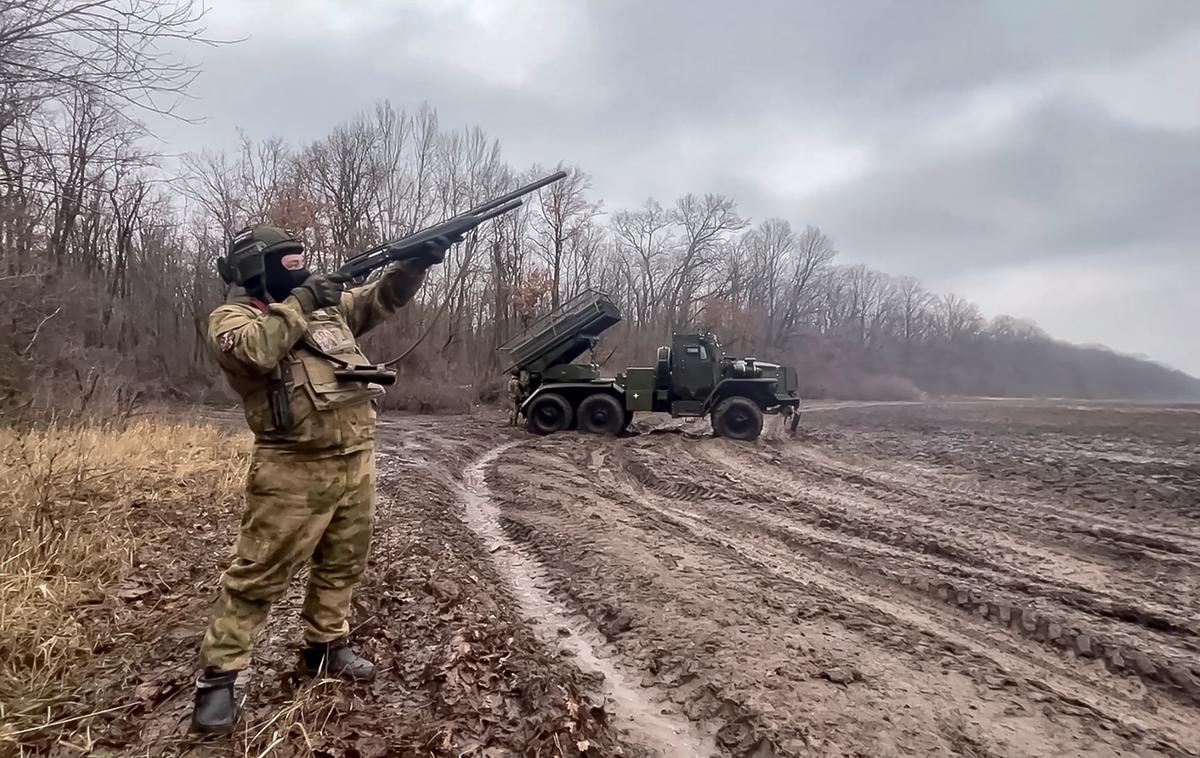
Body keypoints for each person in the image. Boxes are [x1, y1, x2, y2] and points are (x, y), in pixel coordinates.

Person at [190, 224, 453, 735]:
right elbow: (255, 354)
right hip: (291, 466)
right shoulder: (233, 319)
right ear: (257, 269)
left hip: (355, 460)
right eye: (288, 259)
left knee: (342, 564)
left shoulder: (330, 312)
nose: (301, 264)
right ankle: (219, 680)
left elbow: (380, 299)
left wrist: (415, 264)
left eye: (301, 257)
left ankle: (326, 646)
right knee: (257, 576)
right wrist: (304, 300)